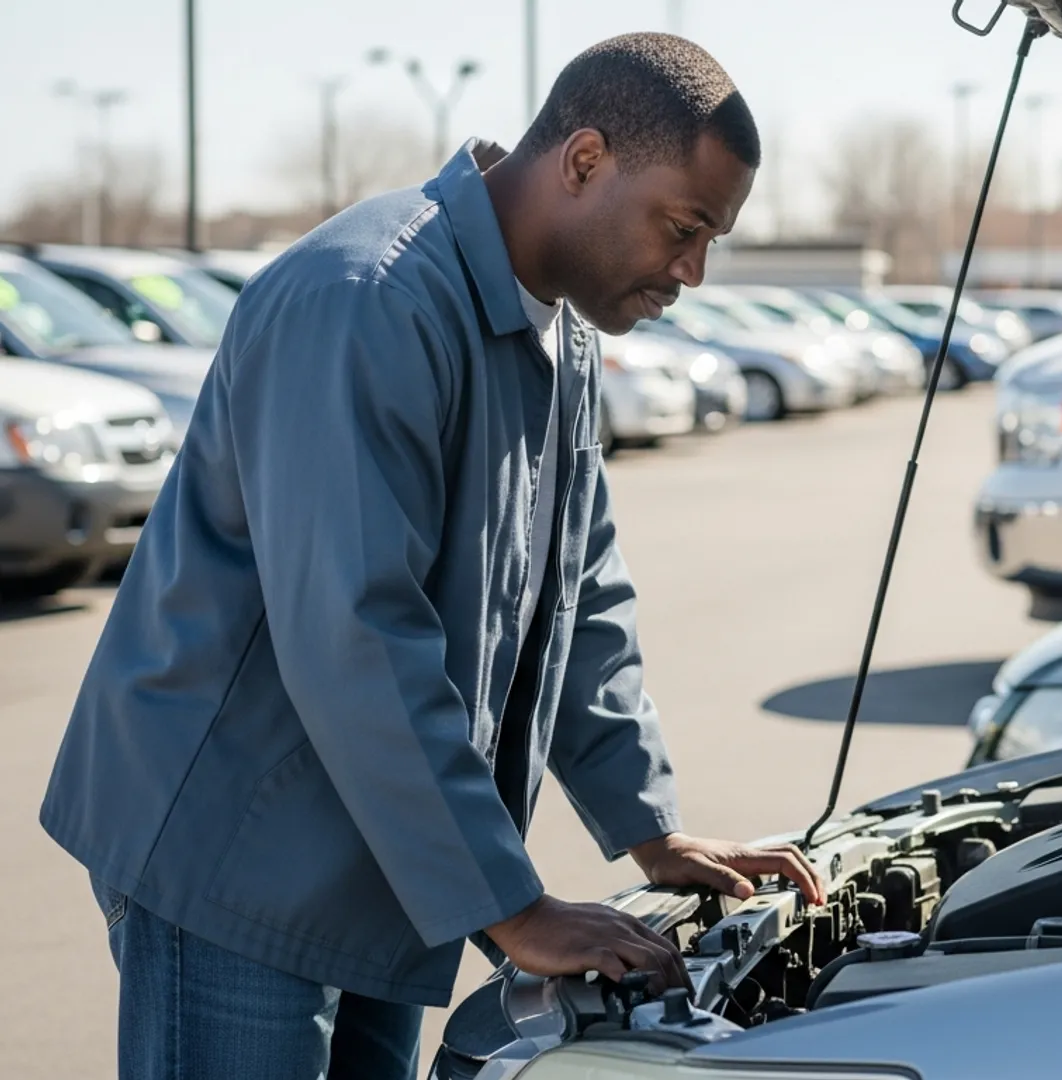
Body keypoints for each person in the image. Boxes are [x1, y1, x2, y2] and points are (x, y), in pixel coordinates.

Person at [39, 32, 825, 1079]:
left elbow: (577, 594)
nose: (692, 269)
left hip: (386, 857)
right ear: (584, 162)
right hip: (234, 858)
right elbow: (355, 636)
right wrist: (511, 905)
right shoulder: (367, 300)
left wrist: (650, 829)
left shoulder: (562, 331)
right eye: (683, 228)